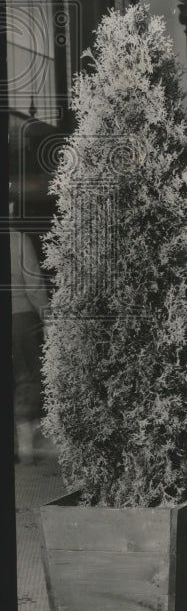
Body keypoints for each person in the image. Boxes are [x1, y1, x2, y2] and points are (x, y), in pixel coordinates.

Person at [9, 186, 48, 465]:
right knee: (25, 379)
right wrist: (47, 317)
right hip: (20, 319)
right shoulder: (18, 240)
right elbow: (34, 286)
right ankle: (24, 450)